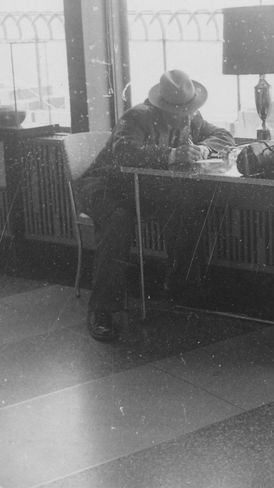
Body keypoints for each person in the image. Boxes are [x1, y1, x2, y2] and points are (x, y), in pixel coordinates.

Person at [76, 69, 235, 342]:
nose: (187, 116)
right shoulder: (137, 117)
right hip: (104, 186)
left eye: (190, 109)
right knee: (118, 220)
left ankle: (180, 288)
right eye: (180, 111)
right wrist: (173, 154)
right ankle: (102, 309)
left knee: (187, 207)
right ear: (163, 105)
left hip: (144, 189)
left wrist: (204, 149)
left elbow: (222, 135)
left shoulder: (191, 116)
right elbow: (124, 152)